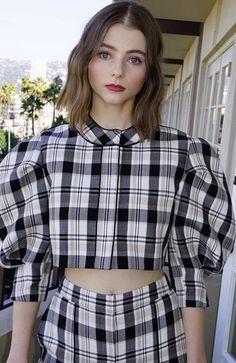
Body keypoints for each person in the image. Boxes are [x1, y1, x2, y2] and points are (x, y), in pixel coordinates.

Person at [0, 1, 235, 362]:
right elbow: (32, 263)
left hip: (156, 334)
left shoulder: (185, 155)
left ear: (149, 70)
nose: (118, 71)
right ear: (85, 60)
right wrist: (17, 353)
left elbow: (189, 267)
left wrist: (198, 355)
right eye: (105, 54)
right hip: (68, 335)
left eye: (134, 59)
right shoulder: (42, 153)